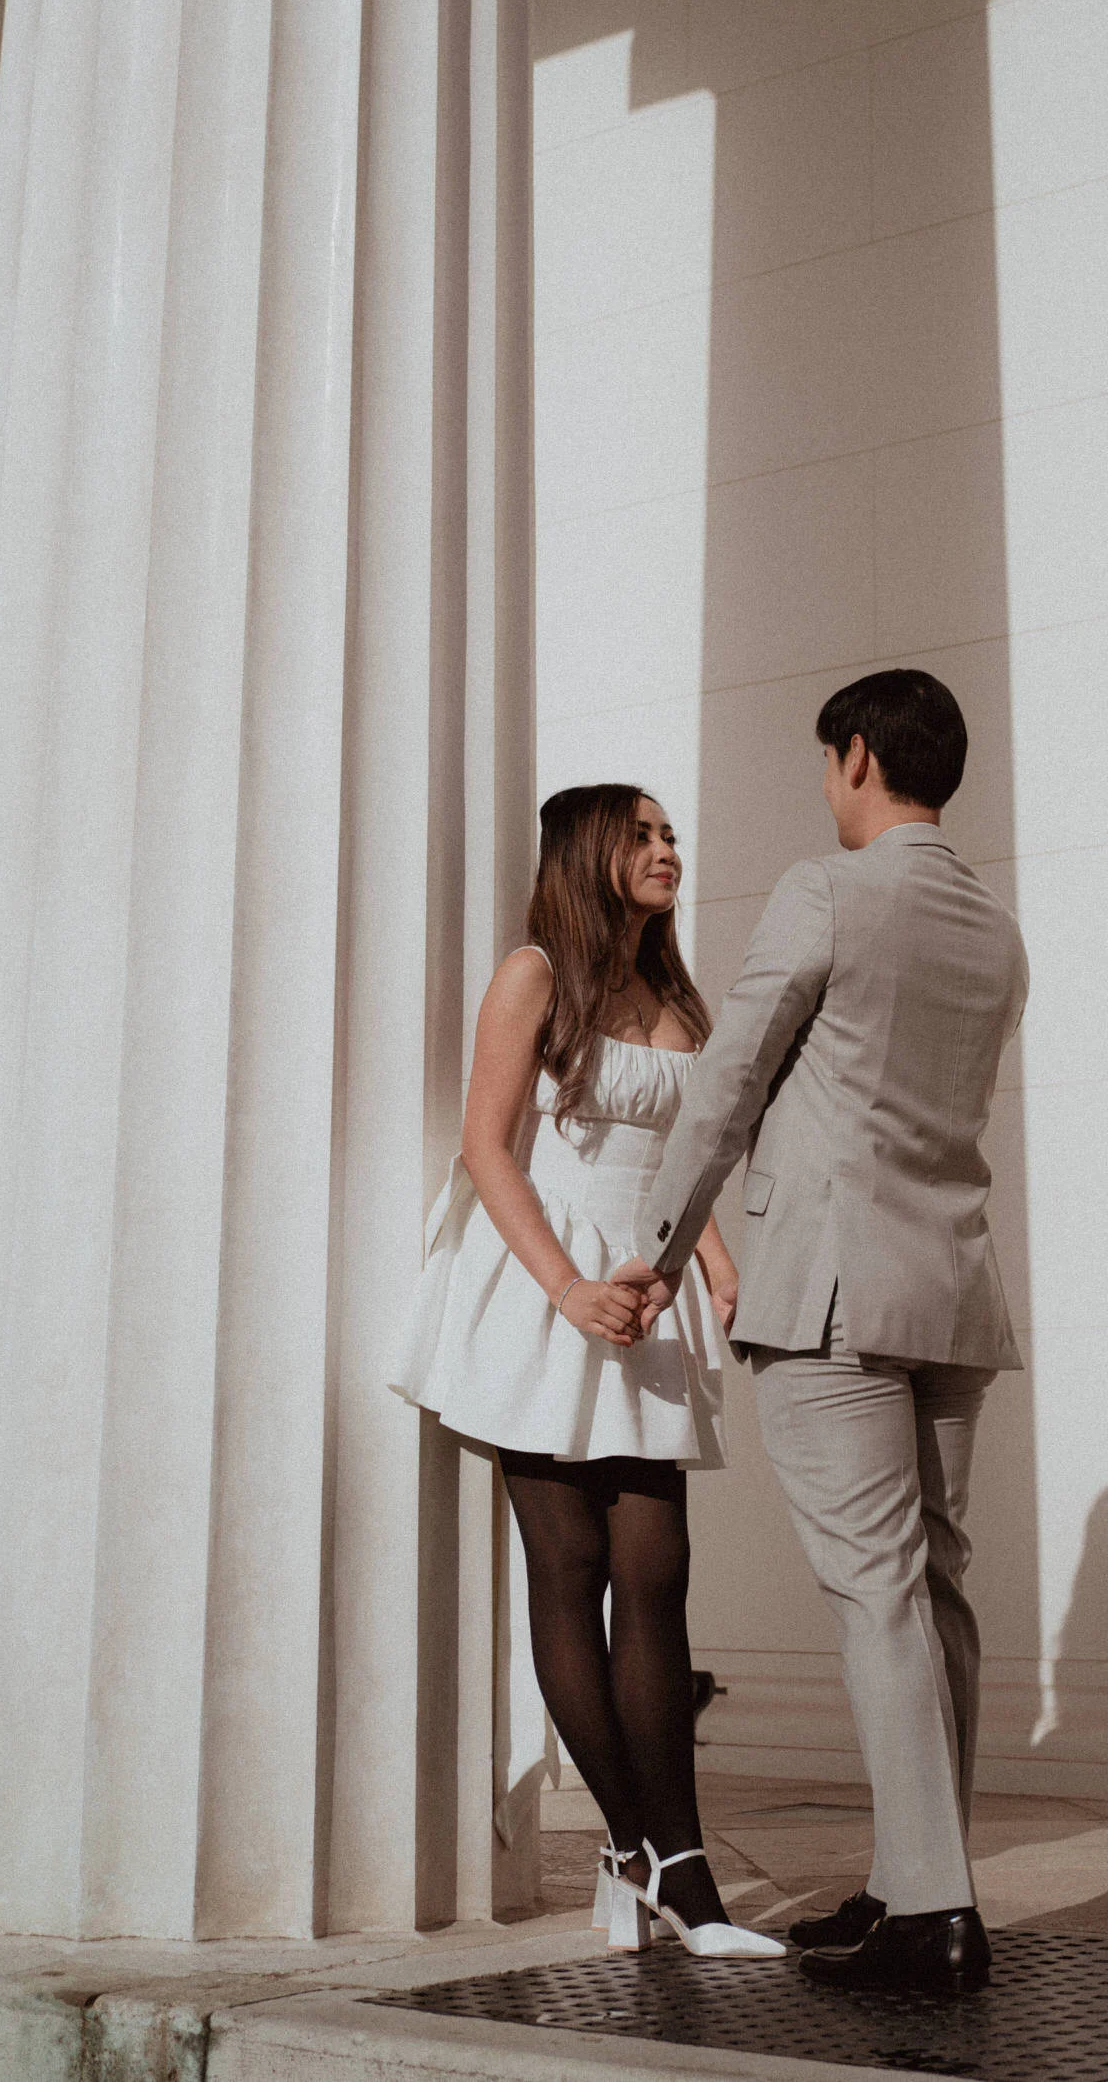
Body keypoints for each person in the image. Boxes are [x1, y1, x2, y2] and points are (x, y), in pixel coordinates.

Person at [636, 670, 1028, 1997]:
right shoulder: (995, 927)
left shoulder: (827, 891)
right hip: (952, 1292)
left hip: (835, 1290)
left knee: (876, 1594)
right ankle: (920, 1881)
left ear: (856, 757)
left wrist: (654, 1252)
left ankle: (931, 1911)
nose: (823, 785)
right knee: (933, 1591)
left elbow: (729, 1075)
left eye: (825, 762)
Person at [390, 783, 783, 1961]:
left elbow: (679, 1152)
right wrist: (566, 1288)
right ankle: (670, 1866)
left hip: (644, 1290)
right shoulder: (534, 975)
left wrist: (710, 1258)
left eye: (672, 835)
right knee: (567, 1570)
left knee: (655, 1567)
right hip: (541, 1284)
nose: (668, 850)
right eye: (644, 835)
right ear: (589, 853)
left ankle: (652, 1862)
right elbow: (485, 1144)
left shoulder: (675, 991)